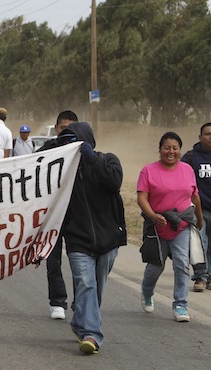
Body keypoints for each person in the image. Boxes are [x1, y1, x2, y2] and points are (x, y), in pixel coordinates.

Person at [58, 122, 126, 354]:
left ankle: (81, 321)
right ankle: (92, 335)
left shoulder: (108, 160)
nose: (70, 145)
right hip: (78, 240)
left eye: (74, 140)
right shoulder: (61, 172)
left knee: (96, 288)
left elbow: (113, 182)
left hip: (108, 239)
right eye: (65, 141)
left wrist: (91, 159)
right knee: (86, 284)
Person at [138, 131, 203, 323]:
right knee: (155, 266)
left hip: (181, 225)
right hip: (157, 226)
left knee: (182, 264)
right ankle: (147, 292)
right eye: (167, 147)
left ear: (180, 150)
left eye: (175, 148)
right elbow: (142, 198)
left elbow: (194, 196)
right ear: (160, 149)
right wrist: (152, 215)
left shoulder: (187, 170)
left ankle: (180, 305)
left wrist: (199, 219)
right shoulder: (148, 170)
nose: (171, 151)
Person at [38, 110, 79, 320]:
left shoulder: (84, 151)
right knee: (53, 261)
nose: (68, 132)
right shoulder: (47, 150)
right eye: (64, 128)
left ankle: (80, 303)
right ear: (56, 129)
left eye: (72, 128)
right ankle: (57, 302)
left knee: (79, 262)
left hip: (77, 215)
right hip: (52, 215)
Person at [182, 122, 211, 292]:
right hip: (198, 208)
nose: (210, 137)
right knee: (200, 243)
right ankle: (200, 277)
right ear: (200, 137)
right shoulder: (191, 157)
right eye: (207, 134)